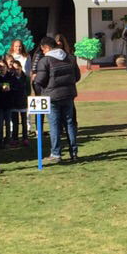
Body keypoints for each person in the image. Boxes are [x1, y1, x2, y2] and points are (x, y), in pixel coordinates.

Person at [33, 35, 81, 163]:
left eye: (43, 50)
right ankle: (74, 152)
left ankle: (56, 153)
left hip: (51, 96)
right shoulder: (70, 58)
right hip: (68, 95)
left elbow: (40, 81)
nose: (43, 52)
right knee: (70, 123)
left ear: (47, 47)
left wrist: (40, 90)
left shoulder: (45, 61)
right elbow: (77, 76)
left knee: (54, 125)